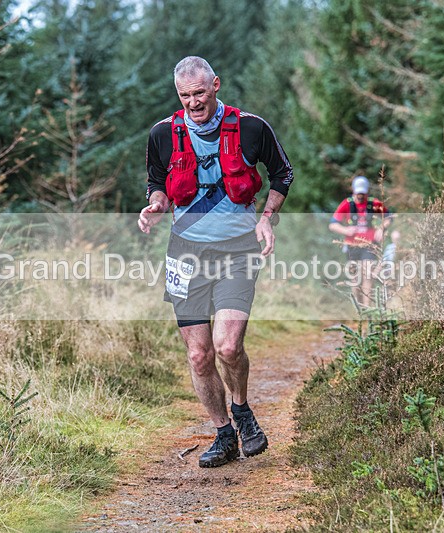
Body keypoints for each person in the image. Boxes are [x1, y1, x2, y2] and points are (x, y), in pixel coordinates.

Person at [138, 56, 293, 467]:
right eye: (185, 96)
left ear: (216, 86)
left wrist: (266, 219)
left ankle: (242, 409)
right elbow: (157, 185)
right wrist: (154, 206)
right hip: (185, 253)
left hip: (238, 249)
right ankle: (224, 433)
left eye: (200, 93)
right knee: (199, 356)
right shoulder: (162, 135)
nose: (193, 103)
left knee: (227, 346)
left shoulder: (251, 128)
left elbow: (283, 174)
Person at [328, 176, 391, 307]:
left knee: (368, 275)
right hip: (352, 246)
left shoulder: (374, 203)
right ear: (353, 191)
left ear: (367, 192)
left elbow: (389, 217)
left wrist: (381, 229)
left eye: (363, 193)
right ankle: (359, 308)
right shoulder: (347, 204)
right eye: (358, 194)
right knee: (355, 280)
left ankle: (368, 309)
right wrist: (346, 230)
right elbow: (333, 225)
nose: (360, 196)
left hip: (370, 245)